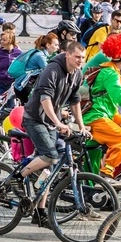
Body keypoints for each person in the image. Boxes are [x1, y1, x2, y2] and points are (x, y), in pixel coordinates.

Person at [16, 41, 88, 183]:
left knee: (50, 169)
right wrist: (58, 123)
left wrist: (82, 126)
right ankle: (18, 177)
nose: (80, 60)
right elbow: (45, 99)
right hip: (34, 118)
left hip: (50, 121)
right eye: (77, 57)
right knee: (50, 156)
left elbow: (75, 101)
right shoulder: (53, 69)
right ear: (67, 55)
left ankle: (41, 206)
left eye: (83, 58)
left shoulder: (77, 73)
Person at [84, 34, 121, 178]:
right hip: (96, 117)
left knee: (92, 158)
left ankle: (89, 187)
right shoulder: (110, 73)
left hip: (97, 115)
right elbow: (119, 96)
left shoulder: (111, 71)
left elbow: (109, 104)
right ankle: (107, 175)